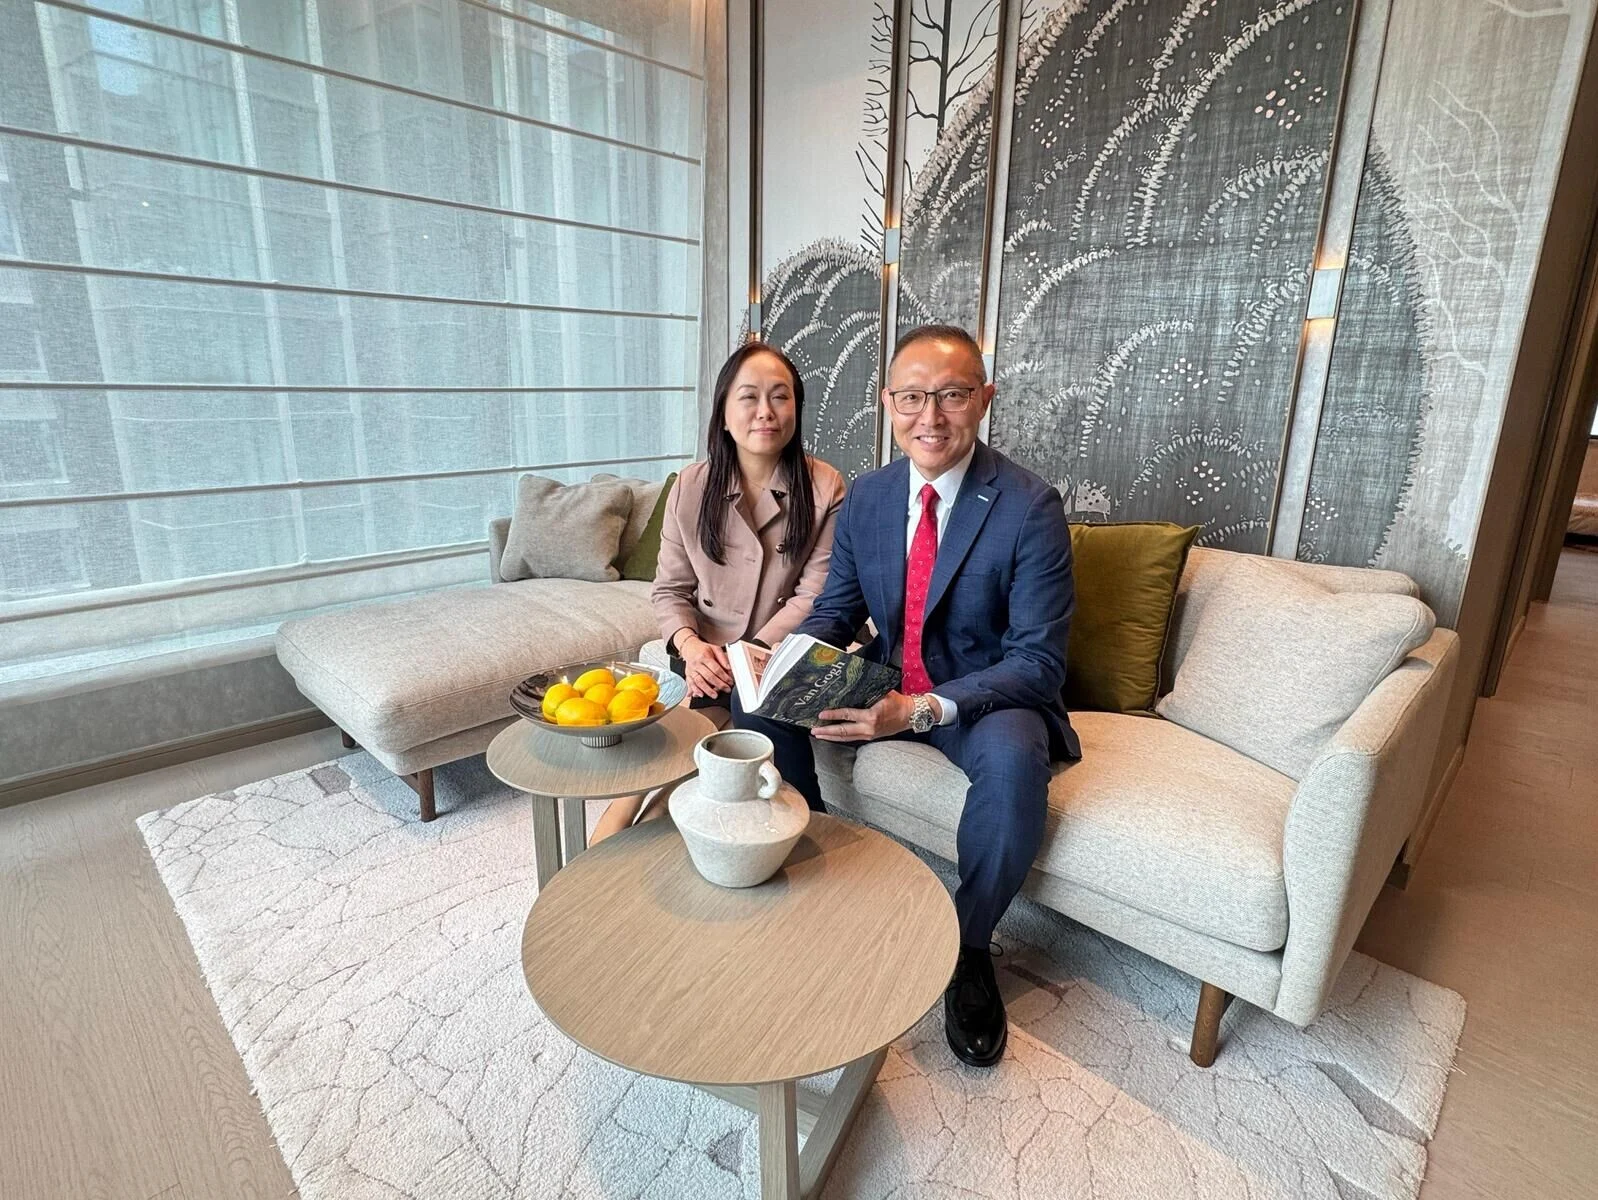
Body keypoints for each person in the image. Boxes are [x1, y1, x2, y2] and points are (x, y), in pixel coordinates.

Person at [733, 324, 1078, 1068]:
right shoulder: (871, 496)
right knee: (759, 701)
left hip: (983, 694)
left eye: (953, 395)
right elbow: (838, 609)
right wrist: (786, 656)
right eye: (913, 398)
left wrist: (920, 710)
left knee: (1016, 769)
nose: (932, 417)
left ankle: (970, 947)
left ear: (984, 398)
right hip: (887, 673)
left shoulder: (1030, 506)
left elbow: (1038, 661)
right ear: (888, 402)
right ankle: (815, 859)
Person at [588, 341, 846, 841]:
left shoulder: (824, 486)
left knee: (713, 732)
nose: (766, 411)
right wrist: (690, 646)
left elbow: (813, 595)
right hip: (704, 654)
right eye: (749, 397)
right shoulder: (691, 486)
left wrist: (748, 653)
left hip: (777, 652)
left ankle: (636, 824)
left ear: (797, 408)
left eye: (780, 396)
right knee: (698, 727)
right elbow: (670, 590)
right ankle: (623, 815)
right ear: (724, 413)